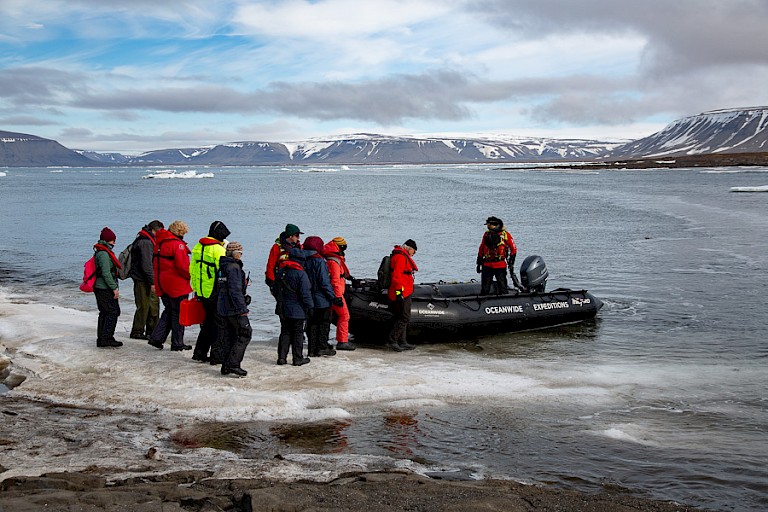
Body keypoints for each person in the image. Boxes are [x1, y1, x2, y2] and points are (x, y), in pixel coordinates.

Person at [189, 220, 230, 364]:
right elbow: (223, 271)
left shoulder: (198, 246)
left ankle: (199, 353)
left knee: (207, 323)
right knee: (219, 325)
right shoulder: (218, 250)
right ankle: (216, 356)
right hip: (214, 292)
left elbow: (192, 269)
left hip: (201, 290)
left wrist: (195, 288)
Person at [148, 221, 193, 351]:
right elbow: (183, 267)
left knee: (168, 310)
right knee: (179, 313)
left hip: (163, 282)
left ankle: (157, 338)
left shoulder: (159, 243)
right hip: (176, 284)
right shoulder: (177, 245)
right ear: (180, 232)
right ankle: (177, 342)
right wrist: (192, 276)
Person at [294, 236, 336, 357]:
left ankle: (312, 349)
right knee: (324, 323)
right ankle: (322, 347)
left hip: (306, 298)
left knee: (311, 323)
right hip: (321, 298)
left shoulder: (300, 259)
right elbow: (324, 282)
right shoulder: (319, 261)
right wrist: (332, 296)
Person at [216, 241, 252, 377]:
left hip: (222, 306)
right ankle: (233, 364)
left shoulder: (222, 267)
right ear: (236, 253)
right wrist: (243, 308)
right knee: (245, 333)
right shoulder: (234, 268)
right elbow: (235, 291)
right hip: (234, 308)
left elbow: (221, 287)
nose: (241, 255)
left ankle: (226, 365)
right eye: (240, 253)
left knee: (229, 335)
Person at [272, 251, 314, 366]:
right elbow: (305, 293)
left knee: (285, 332)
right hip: (297, 310)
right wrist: (310, 307)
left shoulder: (282, 271)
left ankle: (281, 357)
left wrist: (280, 301)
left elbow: (274, 289)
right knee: (297, 334)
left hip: (283, 308)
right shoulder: (301, 274)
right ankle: (297, 358)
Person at [128, 220, 164, 340]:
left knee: (151, 305)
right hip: (142, 279)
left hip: (143, 277)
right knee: (144, 305)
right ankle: (138, 331)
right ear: (155, 230)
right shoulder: (146, 242)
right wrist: (153, 282)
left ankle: (150, 331)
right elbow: (147, 265)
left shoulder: (144, 239)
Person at [93, 227, 123, 348]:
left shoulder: (100, 252)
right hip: (104, 288)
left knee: (104, 312)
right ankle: (107, 338)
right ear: (107, 241)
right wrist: (114, 288)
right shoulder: (104, 254)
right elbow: (106, 273)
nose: (114, 243)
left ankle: (102, 338)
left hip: (100, 287)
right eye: (112, 240)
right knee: (113, 312)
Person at [323, 236, 355, 351]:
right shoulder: (334, 261)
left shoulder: (331, 257)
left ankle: (323, 340)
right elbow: (335, 280)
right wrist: (337, 297)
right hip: (336, 293)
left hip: (330, 293)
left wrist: (348, 277)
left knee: (328, 317)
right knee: (344, 315)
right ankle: (342, 341)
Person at [387, 239, 419, 352]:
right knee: (404, 317)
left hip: (405, 291)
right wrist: (399, 293)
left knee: (402, 317)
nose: (413, 254)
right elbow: (396, 277)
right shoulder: (400, 257)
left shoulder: (401, 256)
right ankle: (393, 340)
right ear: (409, 248)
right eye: (414, 251)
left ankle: (402, 341)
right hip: (402, 292)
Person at [476, 216, 518, 295]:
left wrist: (511, 263)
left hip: (499, 264)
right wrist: (479, 263)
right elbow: (481, 248)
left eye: (488, 224)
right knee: (485, 288)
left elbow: (513, 249)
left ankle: (504, 302)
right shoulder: (487, 234)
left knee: (502, 286)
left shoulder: (505, 235)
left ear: (493, 225)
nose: (487, 226)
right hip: (487, 264)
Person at [265, 223, 303, 289]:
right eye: (297, 235)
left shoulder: (300, 247)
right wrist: (273, 283)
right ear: (290, 236)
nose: (299, 237)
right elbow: (270, 267)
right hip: (280, 281)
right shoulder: (276, 247)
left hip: (296, 281)